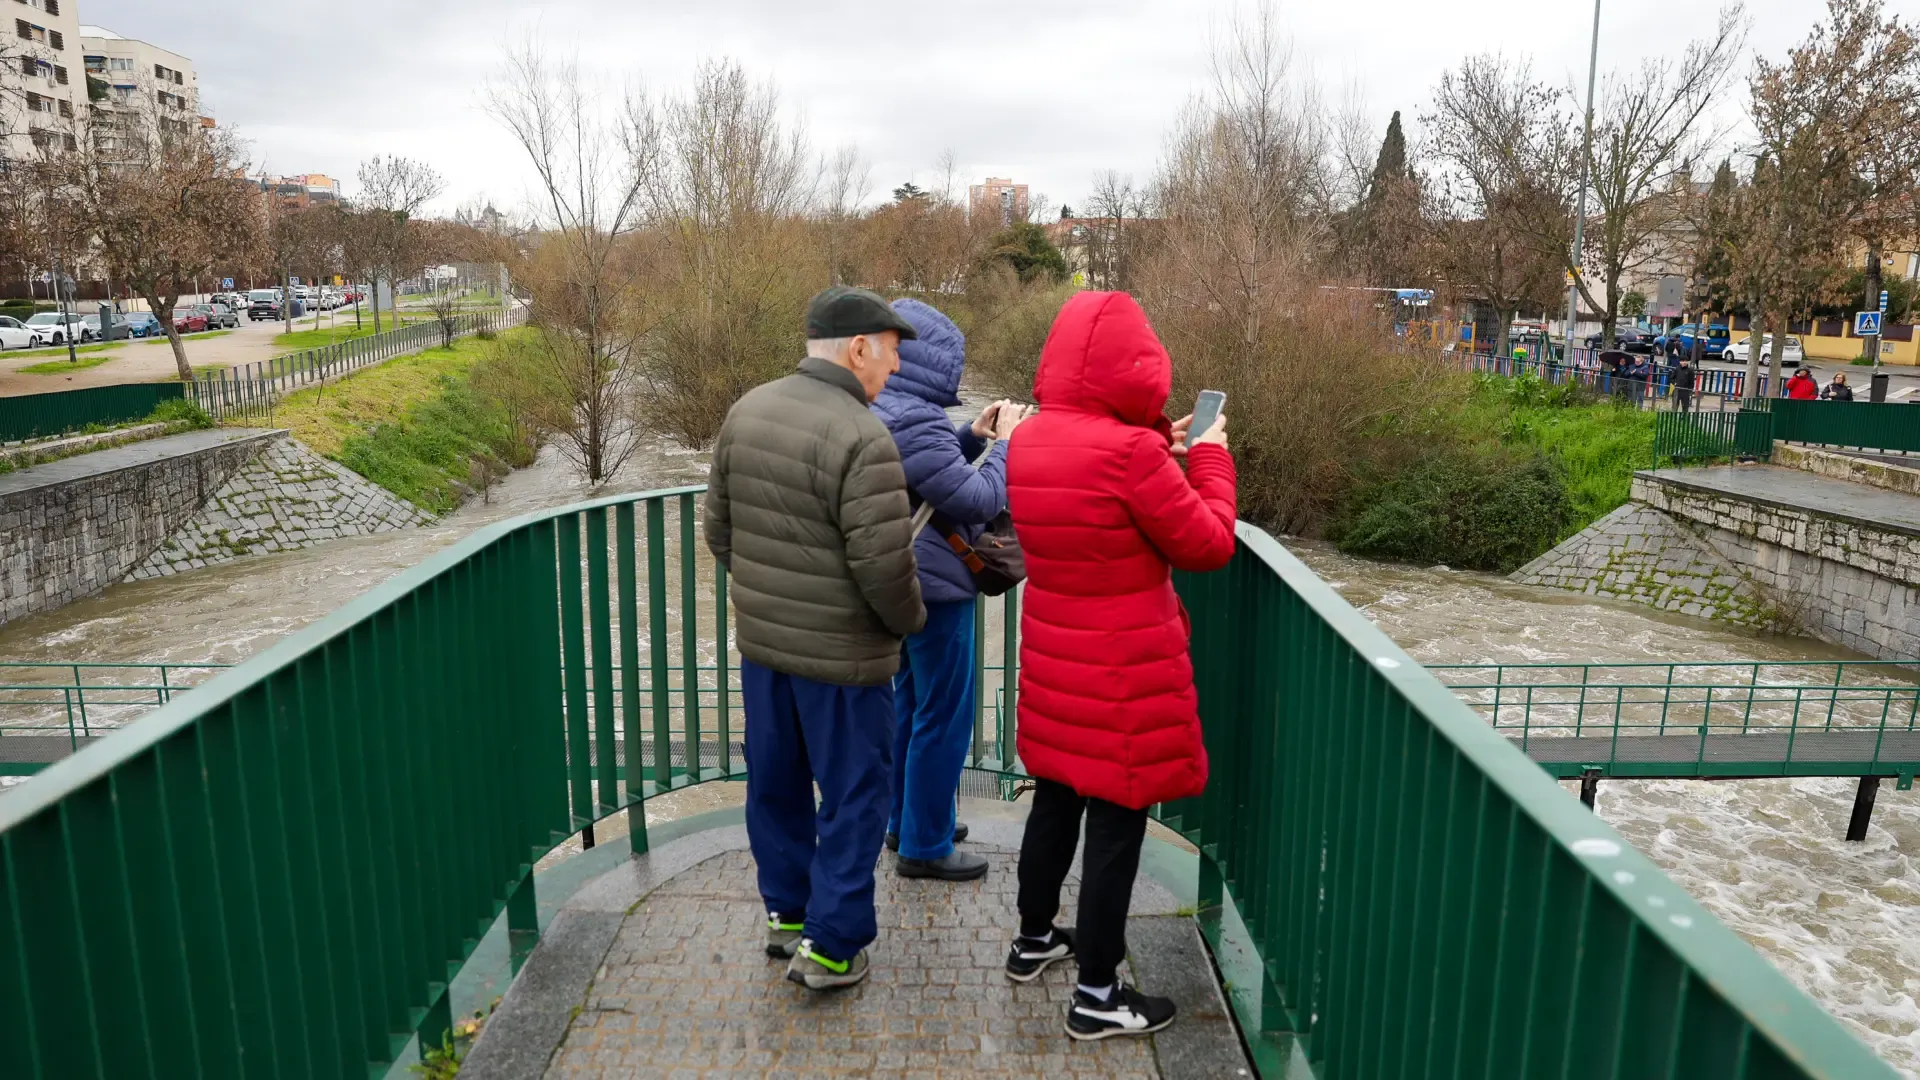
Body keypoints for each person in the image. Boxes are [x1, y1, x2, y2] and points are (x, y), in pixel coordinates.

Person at [1003, 291, 1237, 1040]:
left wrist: (1149, 440)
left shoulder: (1033, 440)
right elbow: (1207, 543)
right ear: (1137, 366)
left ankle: (1033, 940)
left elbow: (1098, 489)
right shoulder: (1132, 455)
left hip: (1054, 655)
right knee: (1115, 828)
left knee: (1055, 800)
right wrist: (1209, 455)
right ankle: (1099, 996)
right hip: (1122, 673)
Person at [703, 285, 927, 991]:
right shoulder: (865, 437)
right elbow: (884, 569)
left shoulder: (748, 410)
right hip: (845, 663)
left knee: (775, 783)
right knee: (857, 794)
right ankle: (832, 947)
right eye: (890, 355)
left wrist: (775, 599)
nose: (893, 371)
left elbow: (719, 531)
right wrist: (911, 622)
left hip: (766, 651)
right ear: (858, 348)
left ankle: (788, 919)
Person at [871, 298, 1029, 882]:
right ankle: (927, 844)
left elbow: (928, 478)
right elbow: (980, 499)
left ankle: (906, 820)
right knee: (944, 716)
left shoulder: (884, 405)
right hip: (936, 589)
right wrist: (1008, 443)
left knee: (910, 707)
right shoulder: (916, 417)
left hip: (900, 580)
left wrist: (971, 434)